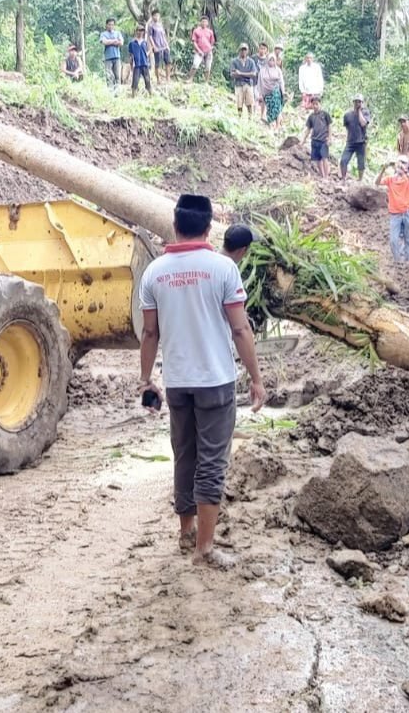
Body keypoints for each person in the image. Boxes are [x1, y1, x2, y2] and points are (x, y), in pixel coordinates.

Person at [139, 194, 266, 570]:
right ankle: (205, 548)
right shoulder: (224, 269)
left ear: (175, 226)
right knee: (212, 460)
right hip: (215, 380)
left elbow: (149, 334)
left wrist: (146, 379)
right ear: (210, 228)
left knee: (185, 455)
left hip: (177, 382)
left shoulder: (154, 272)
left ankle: (187, 531)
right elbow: (240, 328)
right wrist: (256, 380)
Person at [376, 157, 409, 263]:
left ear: (407, 166)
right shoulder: (390, 179)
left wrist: (406, 173)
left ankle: (407, 261)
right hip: (395, 214)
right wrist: (383, 169)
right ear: (396, 165)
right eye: (399, 162)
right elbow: (377, 182)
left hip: (408, 212)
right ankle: (397, 261)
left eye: (404, 163)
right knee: (393, 240)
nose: (401, 165)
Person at [339, 94, 372, 181]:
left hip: (361, 142)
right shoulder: (347, 115)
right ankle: (343, 179)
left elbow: (363, 123)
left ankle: (360, 180)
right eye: (356, 101)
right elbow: (347, 127)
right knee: (343, 160)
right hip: (350, 142)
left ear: (362, 103)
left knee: (361, 163)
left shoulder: (365, 113)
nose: (357, 103)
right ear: (353, 102)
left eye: (359, 102)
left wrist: (359, 112)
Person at [302, 102, 332, 180]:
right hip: (315, 140)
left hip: (323, 140)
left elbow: (329, 126)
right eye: (313, 104)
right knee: (318, 160)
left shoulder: (325, 114)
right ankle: (322, 176)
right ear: (311, 105)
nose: (315, 106)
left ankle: (326, 177)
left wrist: (329, 138)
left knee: (324, 158)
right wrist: (303, 140)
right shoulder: (311, 117)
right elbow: (308, 129)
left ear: (320, 104)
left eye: (317, 104)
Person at [256, 51, 285, 126]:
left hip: (276, 92)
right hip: (266, 93)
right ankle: (270, 123)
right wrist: (260, 94)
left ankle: (277, 125)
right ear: (267, 60)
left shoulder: (278, 70)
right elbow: (260, 82)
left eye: (273, 60)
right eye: (270, 60)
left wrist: (283, 92)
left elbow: (281, 81)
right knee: (270, 109)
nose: (272, 62)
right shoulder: (262, 71)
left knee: (277, 108)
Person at [230, 44, 257, 115]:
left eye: (245, 50)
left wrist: (240, 73)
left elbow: (253, 74)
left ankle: (250, 118)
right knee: (239, 103)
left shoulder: (251, 61)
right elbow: (232, 74)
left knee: (250, 103)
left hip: (248, 84)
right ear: (239, 50)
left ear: (247, 51)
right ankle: (239, 117)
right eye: (242, 49)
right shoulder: (234, 61)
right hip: (238, 84)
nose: (243, 51)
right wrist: (247, 74)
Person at [127, 25, 153, 97]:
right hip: (137, 65)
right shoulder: (132, 43)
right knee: (135, 82)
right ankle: (133, 96)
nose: (140, 32)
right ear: (136, 31)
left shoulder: (145, 42)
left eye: (142, 30)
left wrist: (146, 55)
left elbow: (149, 50)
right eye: (139, 30)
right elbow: (130, 55)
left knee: (147, 81)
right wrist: (131, 65)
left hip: (145, 64)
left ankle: (151, 96)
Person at [147, 12, 172, 85]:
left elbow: (163, 36)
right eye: (154, 15)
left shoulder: (160, 25)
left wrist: (167, 45)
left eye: (157, 15)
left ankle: (168, 78)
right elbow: (150, 37)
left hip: (164, 46)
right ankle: (158, 79)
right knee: (157, 64)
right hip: (157, 47)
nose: (156, 17)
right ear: (152, 16)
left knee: (168, 62)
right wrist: (154, 46)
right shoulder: (151, 26)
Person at [190, 17, 216, 82]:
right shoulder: (196, 31)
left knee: (208, 67)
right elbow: (194, 42)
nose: (204, 23)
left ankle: (206, 82)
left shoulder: (210, 32)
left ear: (207, 23)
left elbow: (212, 41)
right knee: (195, 65)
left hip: (208, 51)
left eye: (205, 22)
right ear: (200, 22)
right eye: (203, 21)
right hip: (199, 51)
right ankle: (190, 79)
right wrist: (198, 50)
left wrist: (210, 48)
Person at [100, 18, 123, 87]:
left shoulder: (118, 33)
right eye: (109, 24)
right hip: (108, 58)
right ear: (106, 25)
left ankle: (118, 91)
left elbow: (121, 43)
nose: (111, 26)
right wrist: (114, 41)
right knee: (109, 75)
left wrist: (109, 41)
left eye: (112, 25)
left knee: (117, 75)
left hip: (117, 57)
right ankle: (110, 91)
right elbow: (104, 42)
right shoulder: (103, 34)